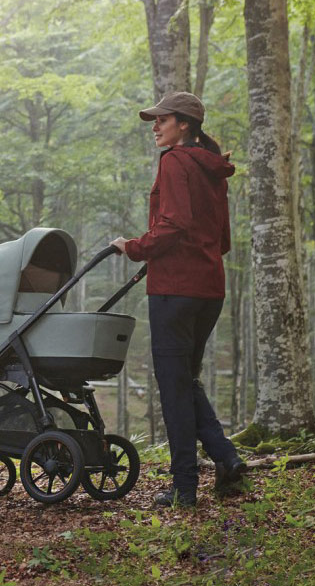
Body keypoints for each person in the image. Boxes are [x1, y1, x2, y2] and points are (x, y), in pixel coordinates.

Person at [111, 92, 247, 507]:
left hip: (175, 290)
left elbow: (172, 224)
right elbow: (222, 240)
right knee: (186, 380)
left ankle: (184, 487)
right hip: (209, 288)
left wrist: (133, 246)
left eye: (162, 120)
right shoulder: (212, 169)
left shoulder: (174, 162)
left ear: (184, 124)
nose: (155, 127)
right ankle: (226, 458)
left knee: (173, 387)